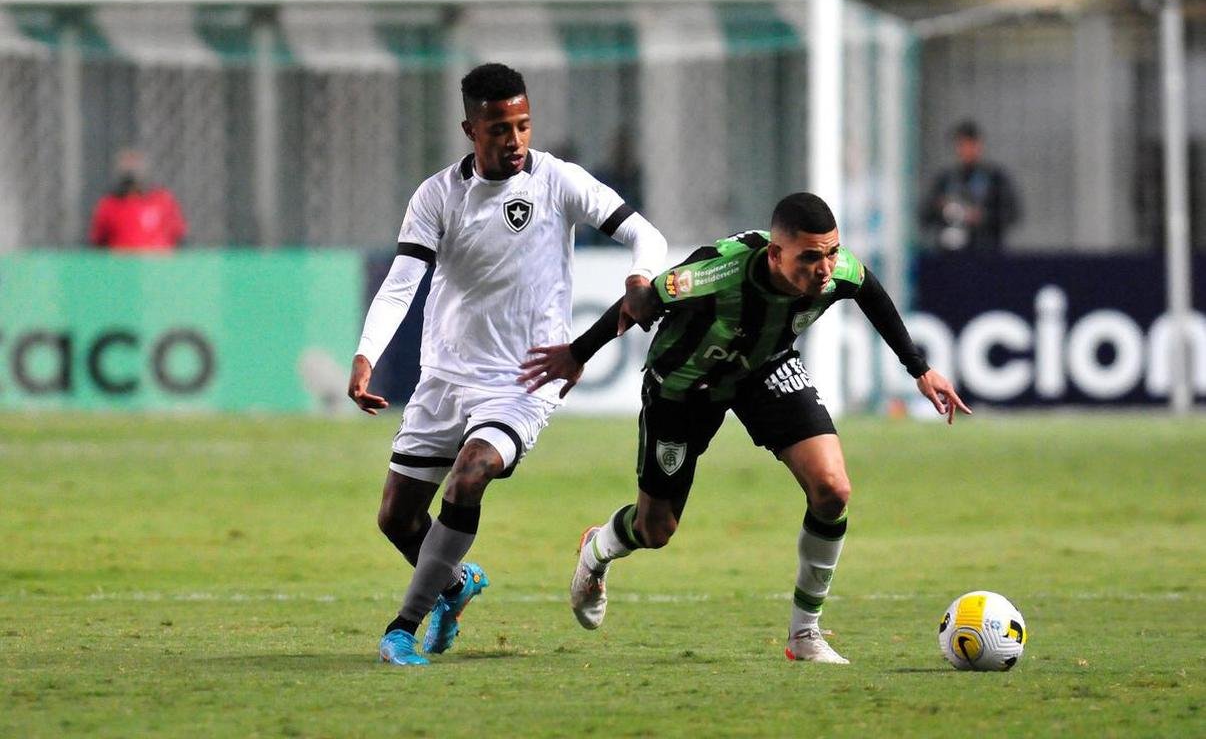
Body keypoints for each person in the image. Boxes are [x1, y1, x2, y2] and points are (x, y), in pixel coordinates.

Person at [519, 192, 969, 664]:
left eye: (832, 253)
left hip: (763, 370)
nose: (825, 268)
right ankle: (599, 547)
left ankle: (804, 634)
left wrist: (919, 369)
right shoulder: (715, 273)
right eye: (810, 257)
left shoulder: (837, 270)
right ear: (775, 254)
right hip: (683, 388)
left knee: (832, 489)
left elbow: (871, 290)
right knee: (656, 530)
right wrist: (577, 354)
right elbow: (640, 301)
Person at [347, 62, 667, 666]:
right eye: (499, 128)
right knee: (396, 518)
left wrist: (638, 275)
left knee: (471, 474)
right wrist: (367, 356)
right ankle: (453, 584)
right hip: (444, 378)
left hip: (523, 381)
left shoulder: (557, 181)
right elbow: (401, 283)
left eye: (522, 125)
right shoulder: (438, 195)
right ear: (471, 129)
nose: (515, 140)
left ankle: (401, 629)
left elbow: (646, 235)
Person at [922, 120, 1020, 252]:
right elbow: (925, 216)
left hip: (986, 252)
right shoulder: (945, 180)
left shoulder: (995, 179)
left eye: (971, 144)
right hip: (949, 253)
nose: (967, 150)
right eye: (962, 145)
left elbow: (1012, 214)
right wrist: (940, 208)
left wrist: (982, 217)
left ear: (979, 146)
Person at [88, 149, 187, 251]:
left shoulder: (162, 200)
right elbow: (99, 240)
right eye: (127, 164)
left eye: (135, 163)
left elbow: (177, 235)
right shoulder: (109, 204)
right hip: (122, 263)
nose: (131, 170)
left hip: (157, 262)